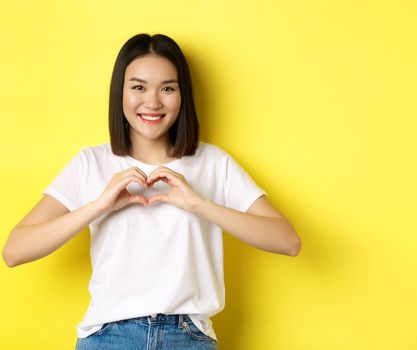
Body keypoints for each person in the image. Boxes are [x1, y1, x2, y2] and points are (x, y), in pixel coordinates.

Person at [2, 33, 301, 349]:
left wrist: (198, 204)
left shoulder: (212, 162)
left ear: (182, 95)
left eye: (168, 88)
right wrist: (98, 206)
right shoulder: (91, 162)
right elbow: (15, 251)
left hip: (189, 337)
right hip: (108, 338)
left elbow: (287, 241)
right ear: (121, 93)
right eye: (138, 87)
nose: (153, 102)